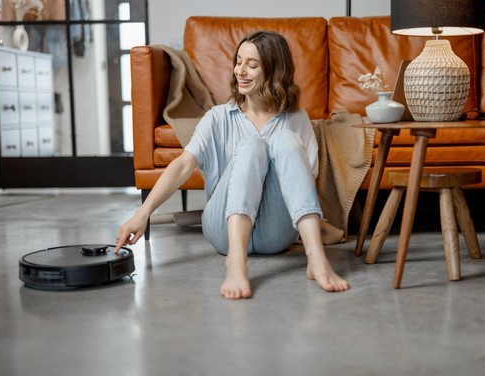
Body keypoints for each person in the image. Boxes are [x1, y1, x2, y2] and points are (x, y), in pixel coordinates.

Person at [115, 30, 349, 299]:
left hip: (276, 233)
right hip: (223, 230)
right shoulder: (218, 117)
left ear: (274, 71)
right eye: (239, 61)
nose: (241, 71)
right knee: (252, 145)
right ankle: (236, 263)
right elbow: (182, 165)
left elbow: (303, 181)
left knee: (284, 140)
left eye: (252, 65)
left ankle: (316, 259)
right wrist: (142, 214)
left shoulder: (296, 118)